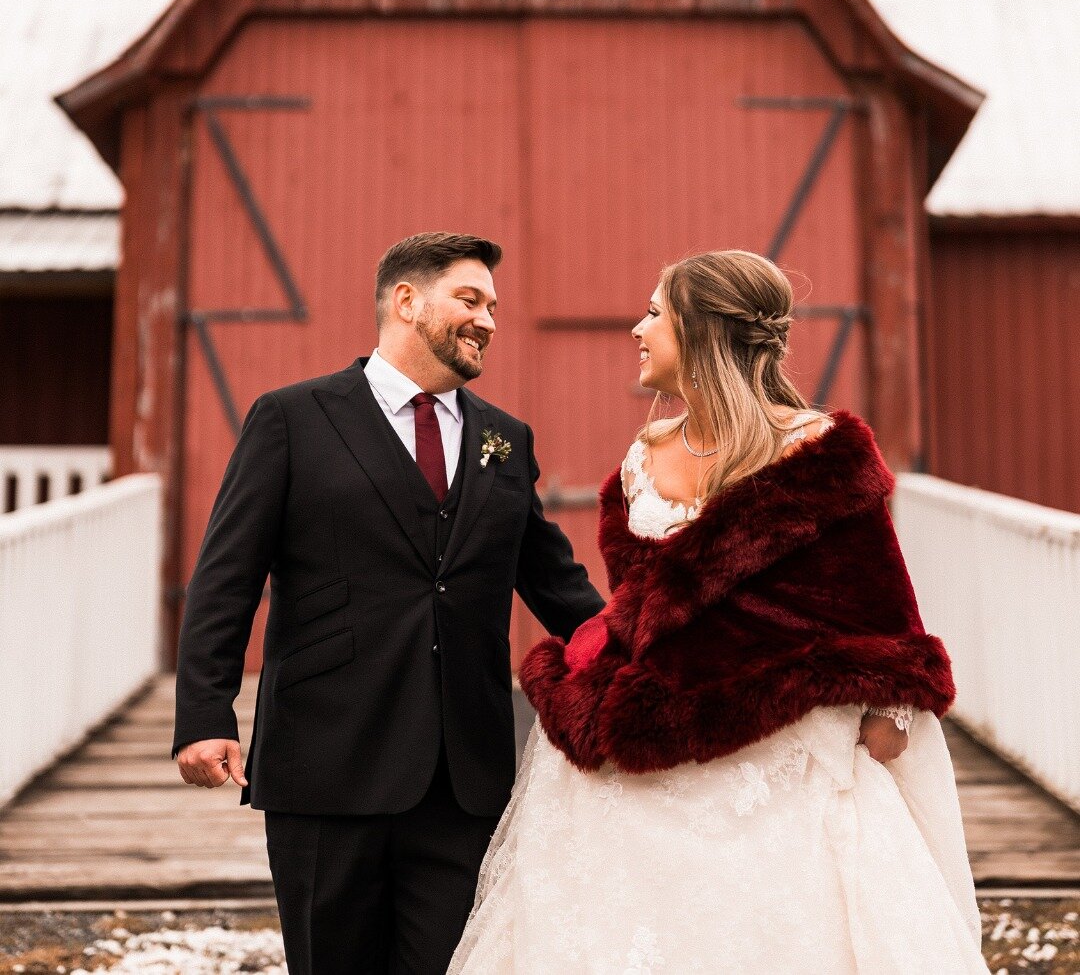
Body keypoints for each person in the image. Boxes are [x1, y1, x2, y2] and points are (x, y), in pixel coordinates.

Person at [450, 249, 989, 974]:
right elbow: (644, 619)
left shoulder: (821, 452)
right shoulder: (644, 457)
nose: (637, 329)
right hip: (637, 773)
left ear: (701, 331)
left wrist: (892, 711)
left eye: (655, 313)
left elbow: (880, 608)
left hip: (777, 775)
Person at [172, 231, 604, 975]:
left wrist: (654, 663)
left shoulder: (504, 438)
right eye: (470, 300)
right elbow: (226, 577)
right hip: (325, 763)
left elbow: (557, 584)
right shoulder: (292, 419)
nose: (490, 321)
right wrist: (205, 715)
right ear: (406, 301)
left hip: (463, 776)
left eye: (494, 306)